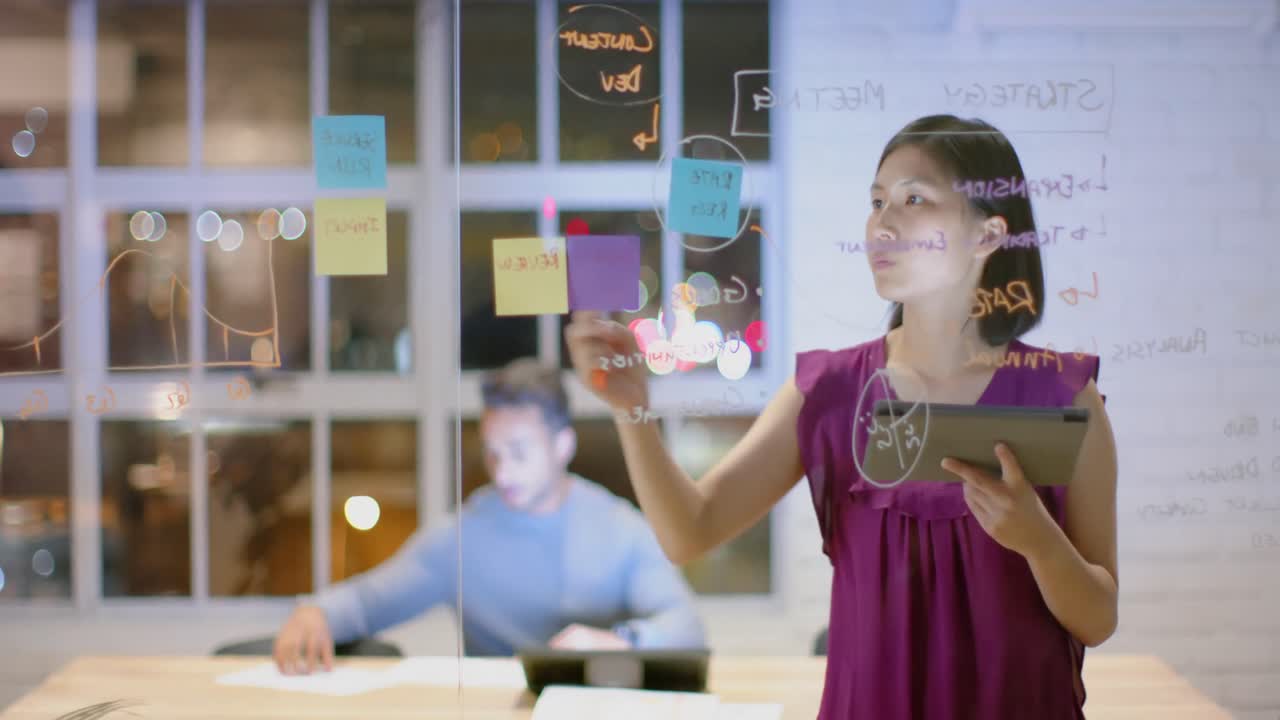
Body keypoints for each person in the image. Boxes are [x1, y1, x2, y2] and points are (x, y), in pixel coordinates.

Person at [565, 114, 1118, 719]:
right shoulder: (830, 392)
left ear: (987, 236)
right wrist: (632, 410)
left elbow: (1097, 619)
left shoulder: (1065, 397)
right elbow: (690, 531)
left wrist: (1038, 540)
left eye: (914, 199)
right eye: (877, 201)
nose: (883, 223)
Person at [273, 358, 706, 674]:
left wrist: (616, 644)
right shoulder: (464, 537)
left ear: (563, 446)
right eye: (493, 453)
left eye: (519, 451)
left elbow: (686, 627)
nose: (503, 470)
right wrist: (316, 612)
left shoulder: (619, 527)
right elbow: (369, 602)